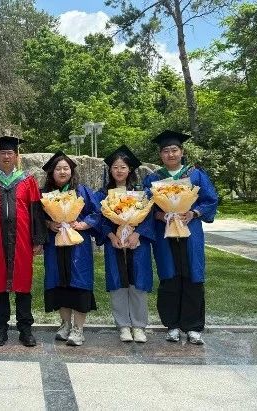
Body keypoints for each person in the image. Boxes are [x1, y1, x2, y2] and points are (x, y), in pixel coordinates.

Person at [143, 130, 218, 345]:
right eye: (166, 151)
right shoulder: (154, 178)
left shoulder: (195, 174)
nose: (170, 154)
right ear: (161, 155)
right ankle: (172, 325)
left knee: (193, 275)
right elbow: (144, 206)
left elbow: (210, 200)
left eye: (174, 150)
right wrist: (159, 215)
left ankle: (193, 327)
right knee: (169, 276)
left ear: (182, 152)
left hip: (190, 231)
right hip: (164, 233)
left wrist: (193, 213)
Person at [0, 136, 47, 347]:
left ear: (16, 156)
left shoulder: (27, 180)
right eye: (3, 153)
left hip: (22, 240)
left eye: (10, 153)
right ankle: (1, 328)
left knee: (23, 281)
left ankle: (25, 328)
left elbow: (35, 210)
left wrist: (37, 239)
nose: (6, 156)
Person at [41, 151, 102, 346]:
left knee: (79, 282)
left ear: (71, 171)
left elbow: (97, 212)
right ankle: (65, 324)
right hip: (55, 244)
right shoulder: (45, 194)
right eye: (58, 168)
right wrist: (49, 224)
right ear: (51, 172)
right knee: (59, 282)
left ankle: (78, 329)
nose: (62, 172)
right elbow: (37, 217)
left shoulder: (82, 191)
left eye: (65, 168)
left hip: (78, 246)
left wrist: (84, 224)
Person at [96, 145, 155, 343]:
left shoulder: (141, 193)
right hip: (114, 244)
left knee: (138, 282)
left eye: (123, 167)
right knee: (117, 283)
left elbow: (148, 217)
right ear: (110, 170)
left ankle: (138, 326)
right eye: (115, 167)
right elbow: (101, 219)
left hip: (137, 244)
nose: (119, 171)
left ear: (130, 170)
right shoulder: (103, 194)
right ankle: (123, 325)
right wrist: (111, 237)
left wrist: (137, 234)